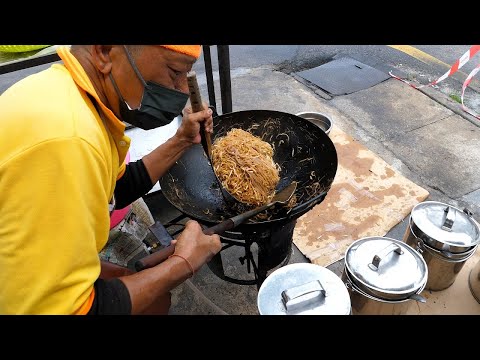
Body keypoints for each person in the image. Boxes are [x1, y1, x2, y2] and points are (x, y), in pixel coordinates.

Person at [0, 45, 222, 315]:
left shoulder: (67, 94)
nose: (183, 92)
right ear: (105, 52)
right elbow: (64, 310)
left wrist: (184, 140)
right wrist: (182, 264)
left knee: (154, 300)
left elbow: (116, 189)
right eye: (174, 72)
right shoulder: (68, 138)